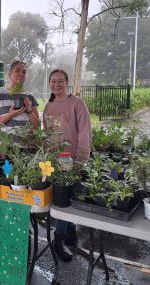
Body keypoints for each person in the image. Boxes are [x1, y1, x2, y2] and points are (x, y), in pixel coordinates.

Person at [43, 69, 91, 262]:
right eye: (53, 81)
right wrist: (46, 158)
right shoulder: (48, 105)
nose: (56, 84)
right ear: (49, 83)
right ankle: (68, 233)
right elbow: (46, 134)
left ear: (67, 82)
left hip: (72, 160)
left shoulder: (77, 103)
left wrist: (81, 158)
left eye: (60, 81)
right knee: (64, 199)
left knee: (65, 201)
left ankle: (59, 238)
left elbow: (85, 132)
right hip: (54, 162)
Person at [0, 60, 40, 132]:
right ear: (9, 74)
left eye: (24, 72)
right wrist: (10, 115)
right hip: (4, 142)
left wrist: (29, 111)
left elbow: (37, 127)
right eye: (17, 71)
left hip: (26, 143)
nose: (21, 74)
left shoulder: (30, 97)